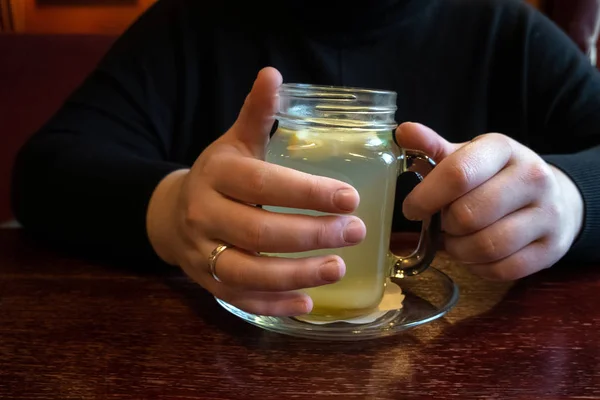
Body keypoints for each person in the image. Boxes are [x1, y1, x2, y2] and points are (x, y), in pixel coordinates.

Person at [10, 0, 600, 317]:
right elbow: (46, 171)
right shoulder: (188, 24)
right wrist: (173, 210)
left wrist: (571, 198)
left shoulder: (510, 35)